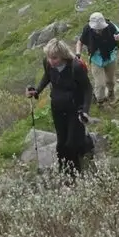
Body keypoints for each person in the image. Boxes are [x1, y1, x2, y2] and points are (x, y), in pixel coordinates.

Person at [27, 39, 94, 176]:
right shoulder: (48, 64)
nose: (51, 61)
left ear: (63, 55)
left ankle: (74, 175)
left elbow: (87, 89)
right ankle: (64, 168)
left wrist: (85, 111)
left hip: (76, 109)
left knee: (71, 144)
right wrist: (37, 91)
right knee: (61, 143)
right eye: (49, 57)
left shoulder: (75, 67)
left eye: (55, 58)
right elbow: (47, 76)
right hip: (57, 108)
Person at [76, 12, 119, 103]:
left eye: (100, 28)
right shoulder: (87, 29)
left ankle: (111, 93)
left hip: (110, 58)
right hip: (96, 60)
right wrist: (78, 54)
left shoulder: (111, 26)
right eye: (96, 28)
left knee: (110, 81)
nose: (98, 30)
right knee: (100, 84)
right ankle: (100, 101)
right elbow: (79, 42)